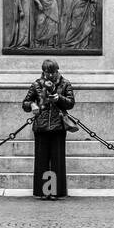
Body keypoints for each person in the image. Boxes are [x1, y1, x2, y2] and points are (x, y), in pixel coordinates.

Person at [22, 59, 75, 200]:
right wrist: (32, 104)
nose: (50, 75)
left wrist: (59, 98)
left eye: (53, 72)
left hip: (58, 126)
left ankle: (56, 191)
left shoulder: (65, 83)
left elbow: (70, 103)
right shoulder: (37, 84)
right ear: (43, 72)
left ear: (57, 70)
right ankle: (44, 191)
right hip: (41, 126)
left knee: (57, 161)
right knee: (42, 160)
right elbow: (25, 103)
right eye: (47, 73)